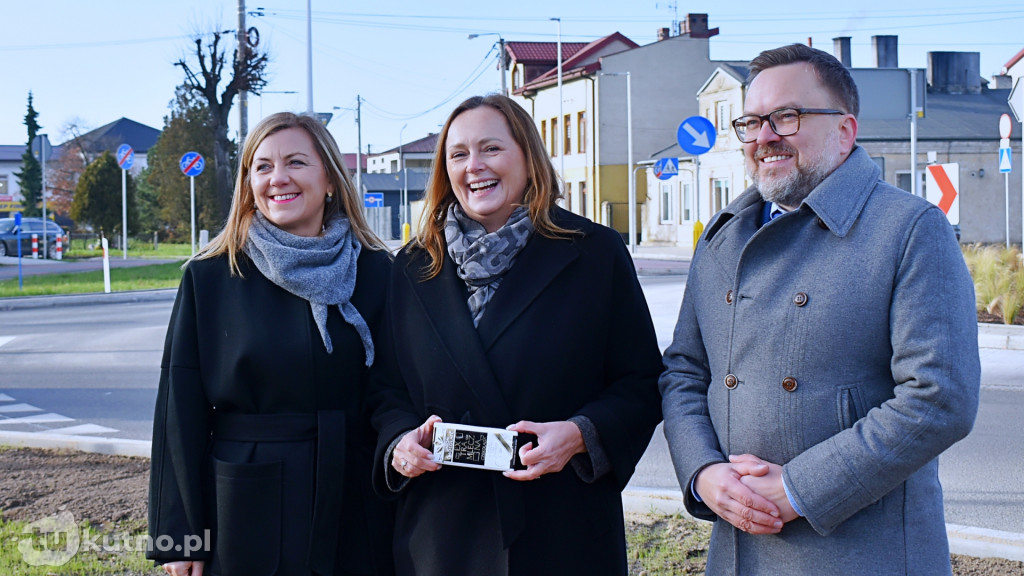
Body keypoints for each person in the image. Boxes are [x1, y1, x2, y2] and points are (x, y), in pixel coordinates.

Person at [659, 43, 981, 575]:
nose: (764, 137)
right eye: (752, 121)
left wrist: (798, 488)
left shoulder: (909, 230)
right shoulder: (721, 238)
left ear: (845, 131)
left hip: (862, 555)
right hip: (740, 549)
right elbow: (684, 373)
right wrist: (703, 472)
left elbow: (940, 396)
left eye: (787, 117)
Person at [367, 94, 663, 576]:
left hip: (561, 524)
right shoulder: (413, 266)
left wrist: (580, 435)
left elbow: (641, 382)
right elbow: (384, 391)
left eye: (491, 149)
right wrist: (399, 442)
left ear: (527, 156)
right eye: (458, 155)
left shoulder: (593, 253)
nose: (474, 166)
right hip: (442, 532)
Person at [148, 112, 394, 576]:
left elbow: (395, 388)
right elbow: (178, 413)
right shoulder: (212, 276)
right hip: (244, 507)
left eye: (296, 162)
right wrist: (177, 540)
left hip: (355, 499)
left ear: (330, 181)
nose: (277, 178)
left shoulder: (378, 271)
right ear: (248, 185)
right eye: (262, 167)